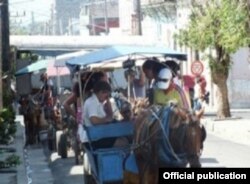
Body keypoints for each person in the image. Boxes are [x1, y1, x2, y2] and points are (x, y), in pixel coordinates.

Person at [82, 81, 115, 149]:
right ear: (100, 92)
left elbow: (110, 115)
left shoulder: (99, 103)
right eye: (106, 96)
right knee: (123, 141)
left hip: (100, 135)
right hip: (94, 139)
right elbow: (94, 120)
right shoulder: (92, 102)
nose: (107, 98)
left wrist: (107, 101)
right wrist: (106, 120)